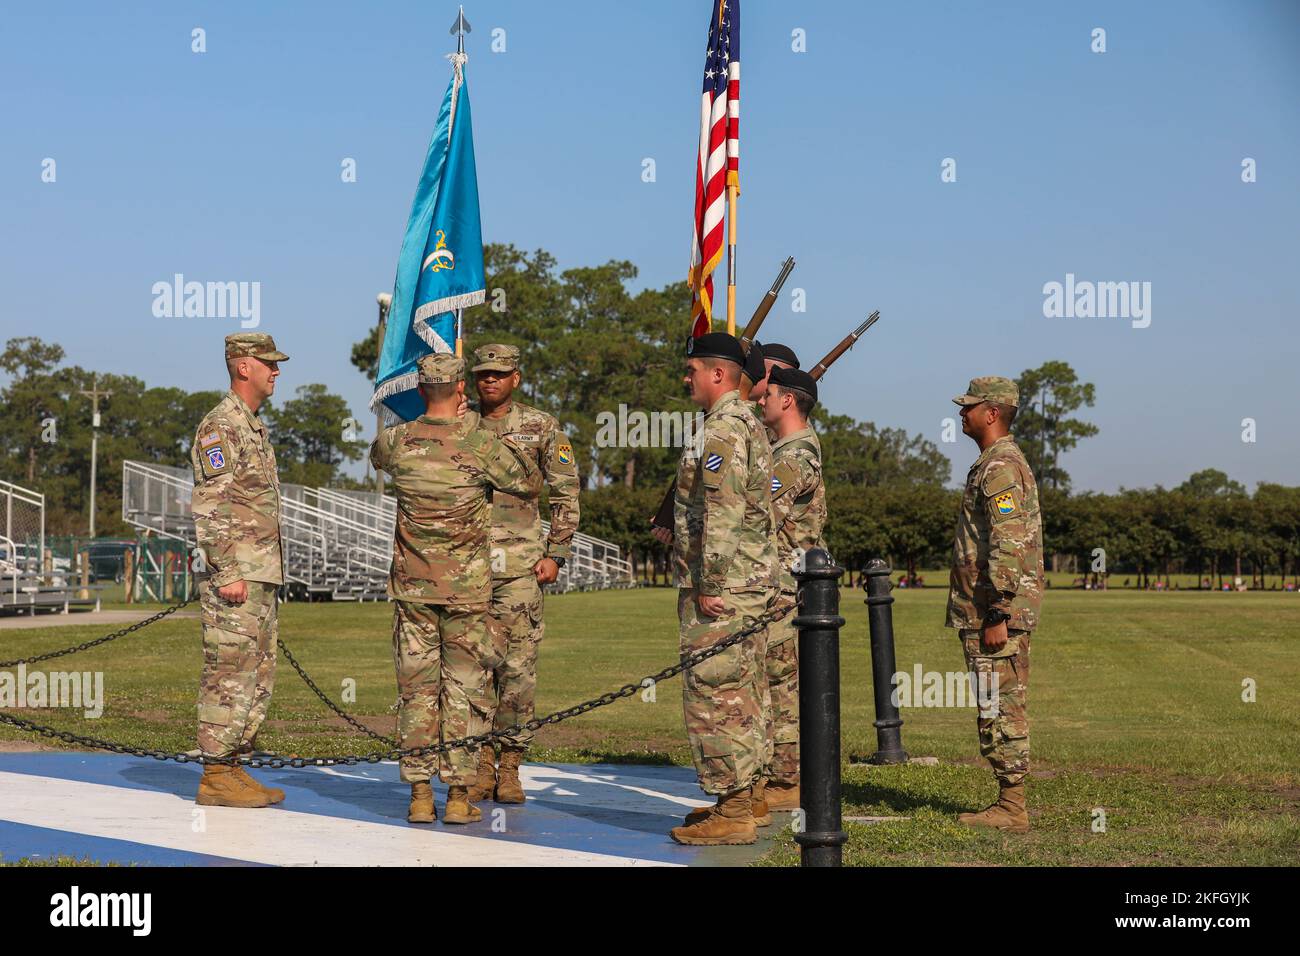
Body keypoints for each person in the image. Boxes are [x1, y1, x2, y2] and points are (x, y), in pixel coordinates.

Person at [370, 352, 542, 824]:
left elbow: (377, 456)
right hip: (466, 593)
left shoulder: (397, 441)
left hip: (412, 591)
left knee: (418, 691)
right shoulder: (480, 442)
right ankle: (460, 797)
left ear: (422, 390)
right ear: (462, 389)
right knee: (466, 690)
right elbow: (529, 482)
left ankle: (420, 795)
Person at [668, 332, 778, 846]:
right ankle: (742, 800)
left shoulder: (724, 432)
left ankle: (734, 813)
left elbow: (723, 511)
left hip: (725, 587)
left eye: (692, 370)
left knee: (718, 694)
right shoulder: (744, 425)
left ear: (718, 375)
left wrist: (709, 582)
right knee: (745, 694)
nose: (685, 378)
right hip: (746, 585)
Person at [466, 344, 580, 805]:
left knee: (516, 670)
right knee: (470, 670)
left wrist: (557, 551)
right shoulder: (462, 424)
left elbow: (566, 490)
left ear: (516, 377)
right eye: (481, 375)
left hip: (519, 567)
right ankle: (475, 763)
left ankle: (509, 765)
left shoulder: (541, 426)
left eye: (498, 373)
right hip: (467, 566)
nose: (489, 381)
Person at [191, 333, 290, 809]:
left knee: (256, 673)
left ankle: (232, 766)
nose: (276, 371)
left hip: (260, 574)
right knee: (228, 672)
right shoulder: (221, 426)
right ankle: (214, 773)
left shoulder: (252, 426)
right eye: (268, 363)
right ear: (242, 366)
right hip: (237, 576)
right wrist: (227, 570)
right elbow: (211, 505)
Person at [947, 376, 1044, 833]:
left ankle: (1012, 806)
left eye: (969, 407)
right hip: (988, 607)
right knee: (995, 702)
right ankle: (1008, 801)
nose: (961, 414)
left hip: (995, 610)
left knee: (1001, 705)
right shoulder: (993, 463)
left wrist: (997, 611)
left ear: (992, 413)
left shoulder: (1000, 466)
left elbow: (1009, 540)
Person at [754, 365, 824, 810]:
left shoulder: (794, 457)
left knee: (778, 687)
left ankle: (782, 781)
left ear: (788, 400)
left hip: (780, 586)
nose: (760, 399)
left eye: (769, 394)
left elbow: (758, 514)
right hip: (778, 584)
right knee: (776, 684)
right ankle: (778, 778)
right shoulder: (784, 449)